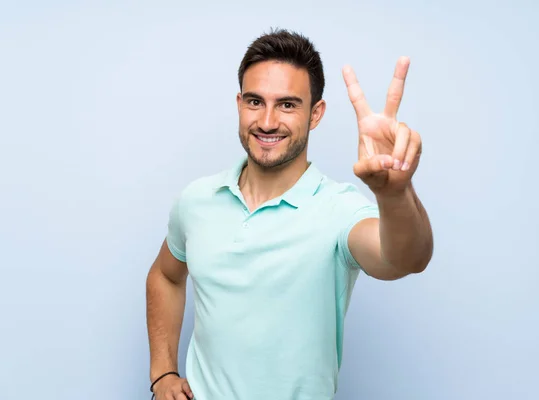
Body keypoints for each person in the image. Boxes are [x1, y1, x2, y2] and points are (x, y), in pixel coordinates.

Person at [145, 28, 433, 400]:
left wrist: (395, 193)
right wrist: (163, 374)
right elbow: (166, 277)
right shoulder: (197, 200)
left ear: (315, 114)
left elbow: (407, 259)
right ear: (238, 103)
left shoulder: (339, 209)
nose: (266, 121)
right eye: (254, 102)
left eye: (287, 105)